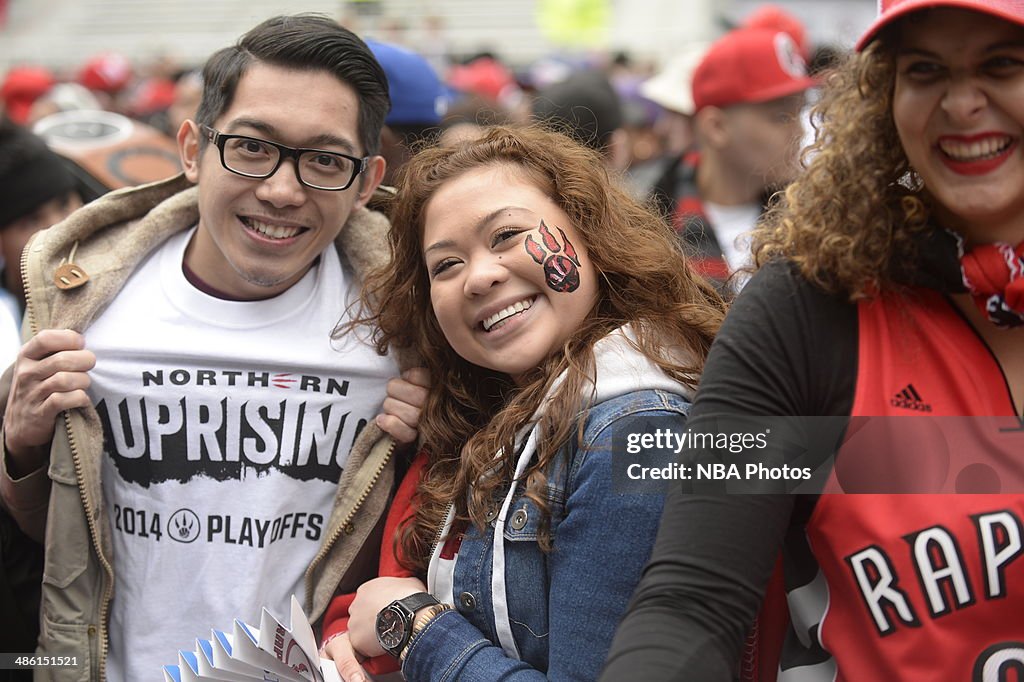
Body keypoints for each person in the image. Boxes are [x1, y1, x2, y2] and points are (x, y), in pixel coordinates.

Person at [603, 0, 1024, 679]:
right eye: (925, 70)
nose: (962, 102)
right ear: (885, 101)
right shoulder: (807, 310)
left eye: (1002, 64)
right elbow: (694, 600)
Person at [0, 15, 423, 681]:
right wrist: (22, 445)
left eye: (324, 160)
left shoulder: (410, 328)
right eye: (252, 147)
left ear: (367, 182)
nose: (282, 190)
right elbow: (43, 537)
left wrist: (426, 446)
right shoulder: (85, 305)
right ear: (194, 149)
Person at [319, 125, 726, 681]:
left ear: (590, 234)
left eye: (507, 235)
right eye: (446, 265)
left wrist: (413, 629)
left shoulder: (634, 433)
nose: (479, 277)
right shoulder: (492, 417)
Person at [650, 27, 813, 292]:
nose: (800, 131)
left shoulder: (815, 227)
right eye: (782, 117)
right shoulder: (646, 227)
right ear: (716, 127)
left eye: (801, 110)